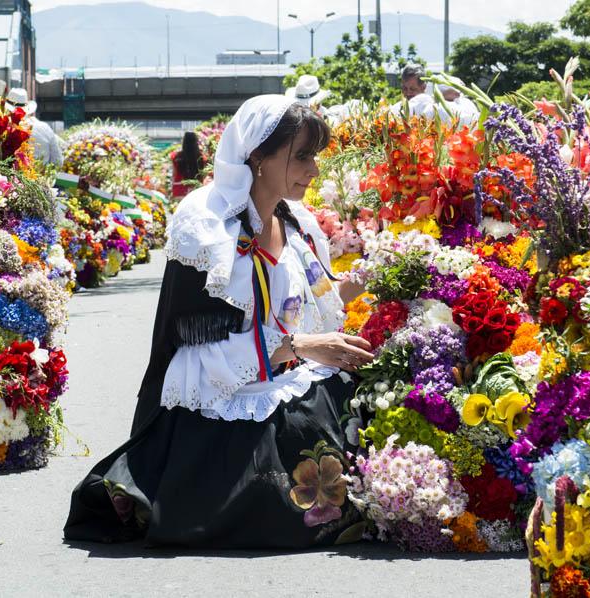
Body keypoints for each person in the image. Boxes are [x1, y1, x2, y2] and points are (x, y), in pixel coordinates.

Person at [64, 95, 372, 548]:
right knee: (288, 508)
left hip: (284, 377)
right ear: (258, 157)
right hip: (225, 396)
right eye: (302, 156)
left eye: (314, 155)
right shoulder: (206, 225)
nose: (314, 169)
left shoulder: (297, 222)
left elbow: (323, 300)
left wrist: (382, 274)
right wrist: (301, 346)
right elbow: (196, 346)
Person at [6, 88, 63, 167]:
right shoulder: (44, 128)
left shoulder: (4, 128)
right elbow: (58, 161)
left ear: (7, 109)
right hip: (42, 177)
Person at [170, 131, 204, 201]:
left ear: (184, 142)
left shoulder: (176, 157)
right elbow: (203, 175)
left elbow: (174, 174)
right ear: (196, 142)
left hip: (179, 189)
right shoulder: (202, 157)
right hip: (197, 189)